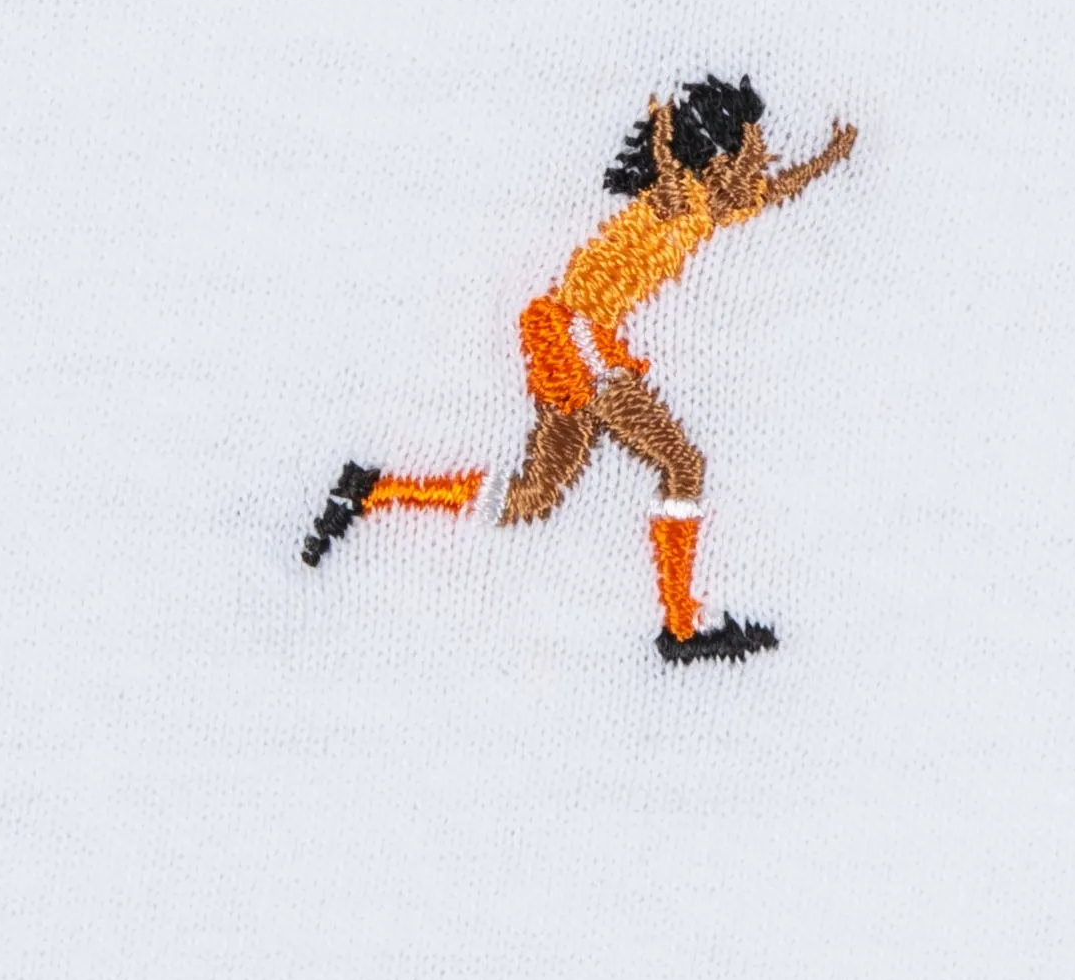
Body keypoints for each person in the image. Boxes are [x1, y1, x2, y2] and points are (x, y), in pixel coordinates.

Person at [302, 74, 859, 662]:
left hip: (566, 337)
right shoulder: (675, 198)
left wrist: (828, 156)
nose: (754, 170)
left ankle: (372, 492)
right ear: (712, 159)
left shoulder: (712, 208)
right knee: (681, 463)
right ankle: (679, 628)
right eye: (744, 158)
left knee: (533, 495)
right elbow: (676, 168)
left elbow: (771, 190)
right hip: (577, 336)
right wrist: (669, 135)